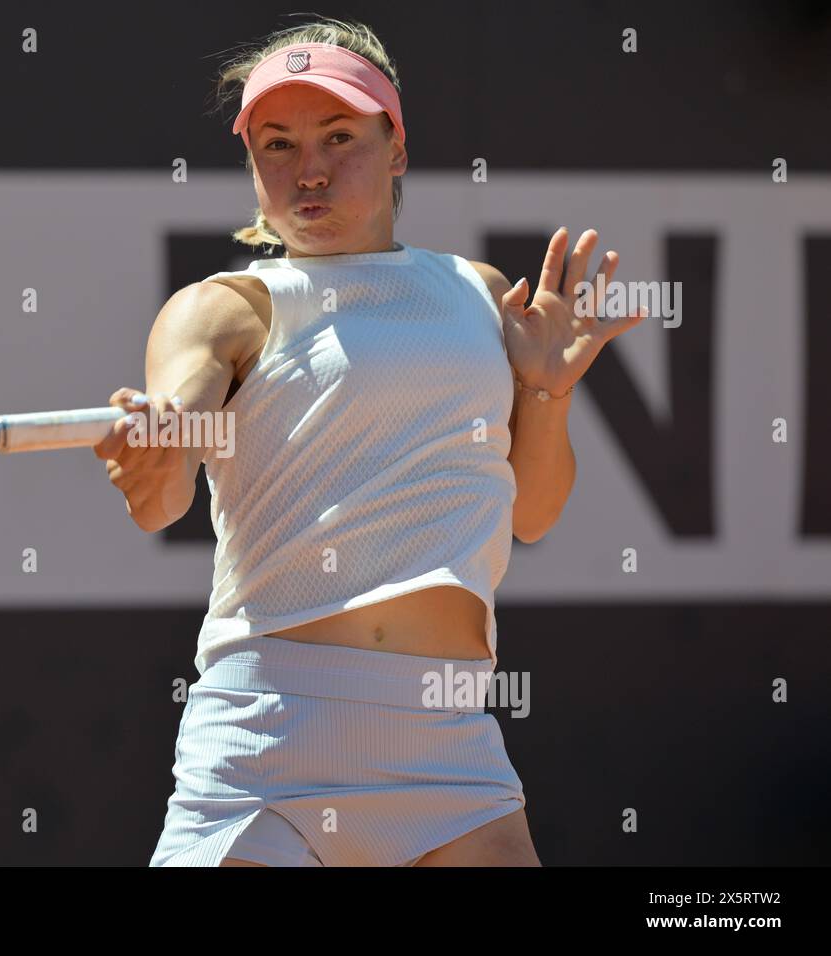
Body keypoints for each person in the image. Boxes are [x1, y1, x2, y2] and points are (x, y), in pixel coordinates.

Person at [94, 18, 645, 866]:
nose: (308, 170)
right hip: (266, 739)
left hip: (449, 743)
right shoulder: (223, 308)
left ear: (397, 150)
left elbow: (532, 511)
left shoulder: (478, 295)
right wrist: (156, 446)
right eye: (277, 144)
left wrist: (545, 391)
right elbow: (163, 492)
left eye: (339, 137)